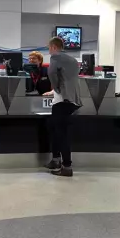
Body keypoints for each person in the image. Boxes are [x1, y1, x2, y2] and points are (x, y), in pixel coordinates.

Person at [44, 37, 82, 177]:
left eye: (49, 47)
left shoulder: (56, 57)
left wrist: (56, 88)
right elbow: (67, 78)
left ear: (54, 47)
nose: (49, 50)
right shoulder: (72, 60)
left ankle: (66, 166)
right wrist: (56, 90)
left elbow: (51, 73)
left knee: (61, 133)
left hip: (62, 101)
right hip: (71, 99)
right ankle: (56, 160)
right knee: (54, 128)